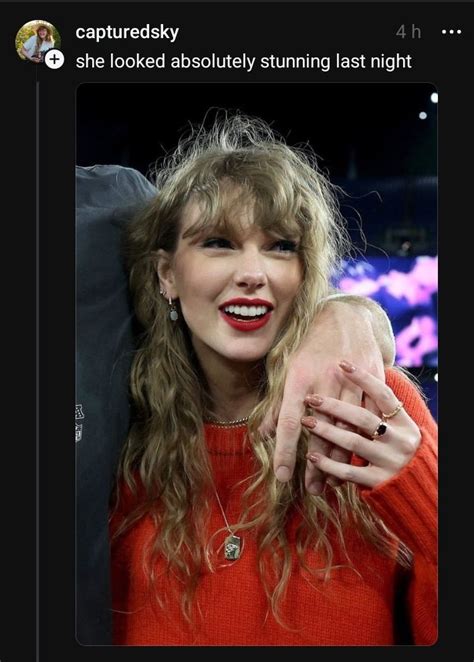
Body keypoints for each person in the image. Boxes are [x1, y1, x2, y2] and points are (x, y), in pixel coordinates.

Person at [109, 115, 437, 645]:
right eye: (219, 242)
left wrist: (429, 505)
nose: (252, 273)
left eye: (281, 246)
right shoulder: (122, 434)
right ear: (167, 274)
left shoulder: (368, 406)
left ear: (306, 274)